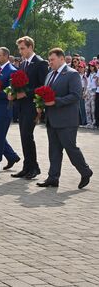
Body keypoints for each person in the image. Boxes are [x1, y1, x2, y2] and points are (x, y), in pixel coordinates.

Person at [37, 48, 93, 189]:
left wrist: (55, 101)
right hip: (52, 118)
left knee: (70, 148)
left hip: (67, 120)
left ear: (61, 59)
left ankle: (85, 171)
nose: (50, 62)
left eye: (52, 60)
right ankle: (53, 177)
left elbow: (75, 95)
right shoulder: (49, 75)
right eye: (49, 60)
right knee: (54, 150)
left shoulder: (72, 74)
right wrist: (40, 104)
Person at [10, 36, 49, 179]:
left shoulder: (40, 63)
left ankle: (34, 167)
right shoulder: (23, 63)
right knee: (23, 136)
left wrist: (25, 93)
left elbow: (42, 86)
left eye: (23, 48)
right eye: (19, 49)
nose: (20, 52)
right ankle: (27, 167)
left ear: (30, 47)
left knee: (27, 135)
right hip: (22, 105)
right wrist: (13, 92)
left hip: (32, 105)